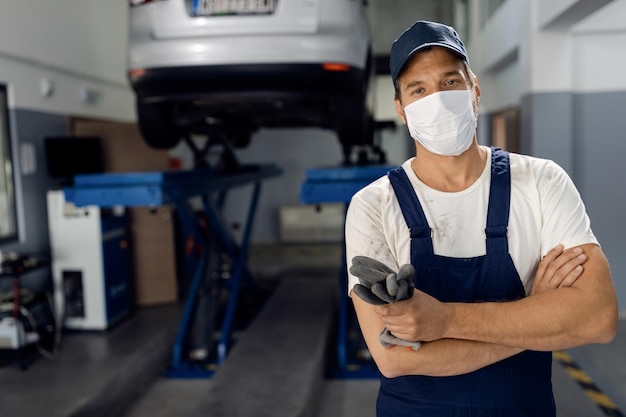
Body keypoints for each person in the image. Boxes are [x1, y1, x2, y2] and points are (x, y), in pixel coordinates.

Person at [344, 20, 618, 416]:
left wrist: (443, 321)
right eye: (418, 90)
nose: (436, 99)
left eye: (450, 82)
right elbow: (397, 359)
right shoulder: (373, 205)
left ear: (474, 89)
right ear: (401, 111)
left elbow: (597, 318)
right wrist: (536, 313)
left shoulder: (541, 181)